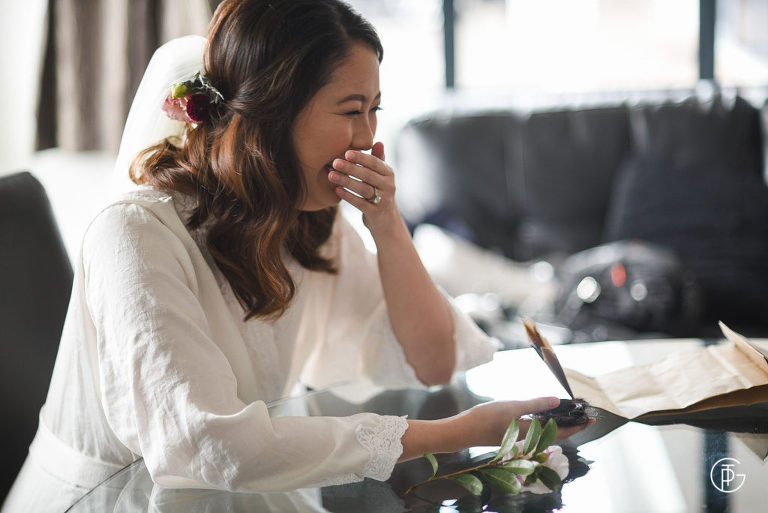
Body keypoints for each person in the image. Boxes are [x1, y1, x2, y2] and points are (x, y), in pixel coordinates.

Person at [2, 1, 587, 511]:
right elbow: (211, 445)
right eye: (350, 109)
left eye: (375, 109)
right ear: (273, 115)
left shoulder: (309, 220)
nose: (368, 137)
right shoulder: (133, 235)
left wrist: (388, 226)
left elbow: (432, 363)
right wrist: (457, 431)